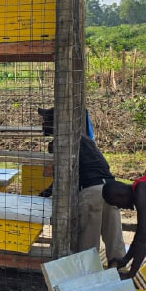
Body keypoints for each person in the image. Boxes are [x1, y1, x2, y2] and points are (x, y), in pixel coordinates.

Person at [37, 108, 125, 262]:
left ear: (56, 123)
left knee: (88, 243)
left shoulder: (64, 142)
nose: (43, 125)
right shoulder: (83, 139)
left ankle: (87, 273)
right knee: (114, 239)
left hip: (92, 192)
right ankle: (120, 268)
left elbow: (61, 178)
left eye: (46, 121)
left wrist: (42, 194)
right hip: (112, 190)